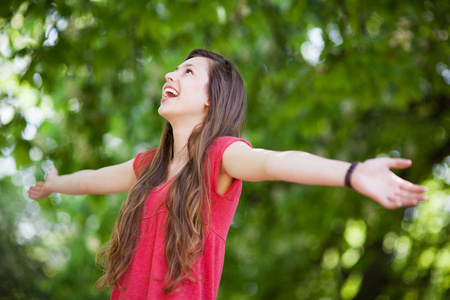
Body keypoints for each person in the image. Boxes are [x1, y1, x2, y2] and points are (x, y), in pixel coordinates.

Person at [28, 49, 428, 299]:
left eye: (186, 72)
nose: (170, 75)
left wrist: (353, 173)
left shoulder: (221, 157)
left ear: (210, 99)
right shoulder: (150, 166)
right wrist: (53, 185)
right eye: (174, 69)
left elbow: (274, 162)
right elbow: (92, 179)